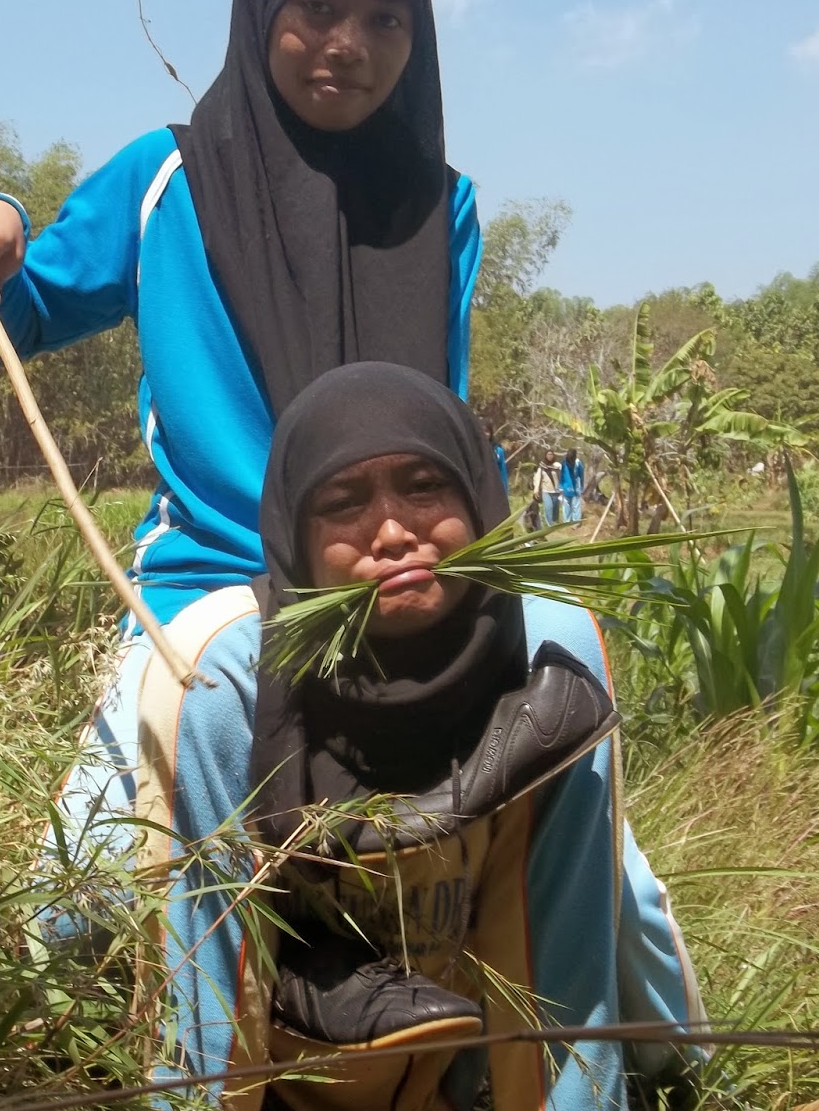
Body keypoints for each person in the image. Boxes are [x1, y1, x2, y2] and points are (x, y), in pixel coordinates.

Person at [115, 363, 703, 1111]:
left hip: (453, 1019)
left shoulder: (551, 654)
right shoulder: (222, 678)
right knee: (65, 920)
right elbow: (204, 982)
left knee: (644, 944)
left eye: (425, 486)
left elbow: (561, 966)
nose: (393, 532)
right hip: (295, 1035)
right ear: (293, 530)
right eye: (344, 501)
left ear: (475, 494)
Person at [0, 0, 479, 634]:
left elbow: (448, 412)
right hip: (218, 588)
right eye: (319, 7)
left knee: (568, 672)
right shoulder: (169, 179)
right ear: (262, 6)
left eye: (386, 19)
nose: (349, 46)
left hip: (405, 587)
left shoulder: (441, 206)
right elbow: (16, 317)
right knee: (160, 734)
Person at [532, 450, 562, 527]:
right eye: (548, 454)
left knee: (555, 508)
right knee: (549, 507)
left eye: (551, 454)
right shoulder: (542, 467)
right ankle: (549, 525)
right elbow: (537, 479)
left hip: (556, 491)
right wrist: (536, 490)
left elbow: (562, 477)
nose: (550, 456)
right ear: (545, 455)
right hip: (546, 491)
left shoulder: (557, 466)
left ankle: (555, 522)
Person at [560, 447, 585, 525]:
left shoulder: (578, 463)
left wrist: (581, 488)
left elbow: (581, 476)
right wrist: (560, 487)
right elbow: (561, 475)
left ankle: (575, 523)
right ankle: (566, 522)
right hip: (566, 488)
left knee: (576, 506)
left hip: (576, 489)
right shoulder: (564, 463)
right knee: (566, 506)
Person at [485, 420, 509, 495]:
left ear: (491, 433)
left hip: (493, 490)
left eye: (486, 431)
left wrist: (504, 493)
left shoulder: (498, 451)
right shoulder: (472, 450)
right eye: (481, 430)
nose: (484, 434)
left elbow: (503, 474)